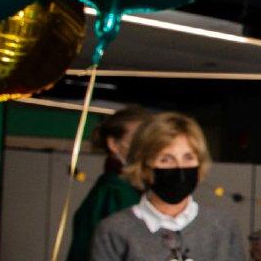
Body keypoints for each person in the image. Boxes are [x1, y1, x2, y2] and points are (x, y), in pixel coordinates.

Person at [92, 112, 246, 261]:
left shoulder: (222, 227)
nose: (180, 168)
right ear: (144, 166)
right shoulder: (114, 231)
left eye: (188, 158)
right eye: (166, 159)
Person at [68, 106, 151, 261]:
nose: (147, 146)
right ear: (113, 144)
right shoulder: (113, 193)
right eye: (139, 138)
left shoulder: (135, 189)